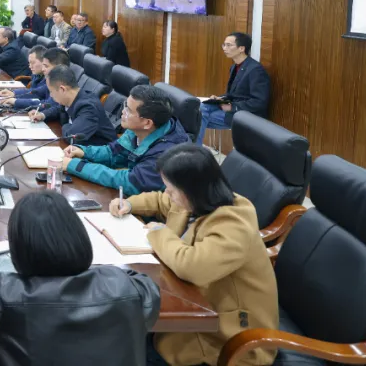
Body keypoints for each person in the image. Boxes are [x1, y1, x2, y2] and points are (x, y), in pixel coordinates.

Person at [0, 190, 160, 366]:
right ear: (78, 237)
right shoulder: (128, 287)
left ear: (19, 250)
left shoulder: (4, 295)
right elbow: (147, 288)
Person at [111, 145, 277, 366]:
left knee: (122, 346)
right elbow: (161, 201)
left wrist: (160, 233)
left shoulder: (234, 223)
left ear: (190, 190)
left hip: (231, 339)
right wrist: (130, 203)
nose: (167, 193)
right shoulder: (198, 199)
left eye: (171, 189)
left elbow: (192, 266)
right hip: (196, 308)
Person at [63, 85, 189, 196]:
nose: (123, 112)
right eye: (125, 105)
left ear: (147, 123)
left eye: (128, 110)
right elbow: (114, 152)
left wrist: (75, 166)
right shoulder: (139, 128)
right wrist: (84, 152)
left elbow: (131, 182)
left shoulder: (165, 153)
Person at [197, 32, 271, 145]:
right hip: (232, 108)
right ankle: (193, 150)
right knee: (199, 108)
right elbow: (233, 94)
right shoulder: (235, 67)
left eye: (229, 45)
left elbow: (259, 102)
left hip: (246, 114)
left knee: (197, 117)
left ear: (241, 48)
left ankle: (192, 151)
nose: (224, 48)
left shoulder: (255, 70)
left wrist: (233, 107)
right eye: (224, 45)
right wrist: (221, 98)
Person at [32, 66, 117, 146]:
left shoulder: (88, 106)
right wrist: (43, 115)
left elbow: (73, 137)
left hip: (100, 152)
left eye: (51, 91)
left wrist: (65, 125)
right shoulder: (72, 97)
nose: (51, 95)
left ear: (62, 89)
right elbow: (59, 110)